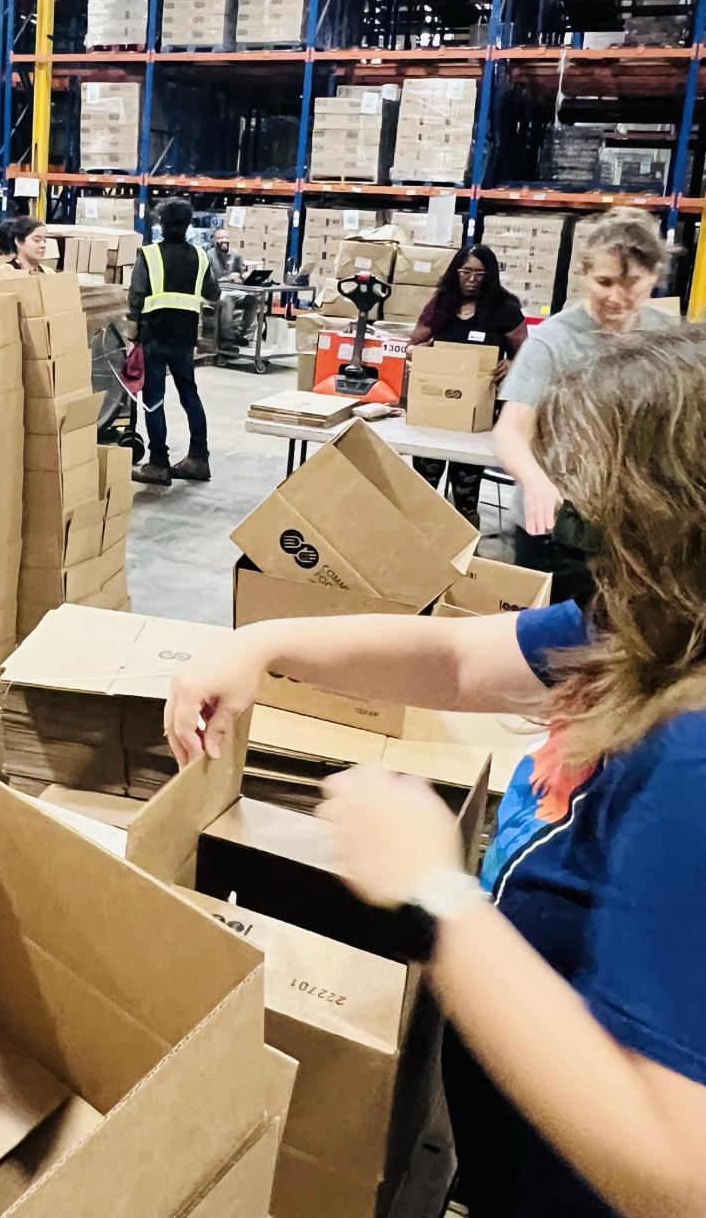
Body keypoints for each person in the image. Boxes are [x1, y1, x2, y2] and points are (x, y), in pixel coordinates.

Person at [165, 323, 706, 1218]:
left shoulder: (690, 761)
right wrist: (263, 643)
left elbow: (678, 1171)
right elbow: (454, 660)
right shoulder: (643, 633)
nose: (588, 535)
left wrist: (434, 893)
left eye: (613, 515)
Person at [495, 207, 670, 600]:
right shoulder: (553, 342)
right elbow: (511, 429)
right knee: (554, 648)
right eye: (604, 281)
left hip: (634, 527)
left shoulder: (666, 339)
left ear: (655, 277)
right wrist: (536, 480)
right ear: (585, 273)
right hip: (559, 530)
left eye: (632, 283)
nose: (615, 297)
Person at [409, 244, 527, 526]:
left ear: (491, 275)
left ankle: (465, 537)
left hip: (479, 409)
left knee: (466, 478)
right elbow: (414, 344)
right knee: (425, 475)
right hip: (436, 406)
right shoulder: (441, 304)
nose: (472, 279)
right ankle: (420, 534)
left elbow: (526, 352)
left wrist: (513, 363)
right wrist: (417, 351)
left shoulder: (504, 308)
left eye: (480, 273)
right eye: (466, 272)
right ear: (455, 272)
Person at [128, 196, 220, 487]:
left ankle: (158, 464)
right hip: (184, 338)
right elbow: (213, 293)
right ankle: (198, 458)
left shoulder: (149, 255)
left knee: (154, 399)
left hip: (154, 337)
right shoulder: (201, 256)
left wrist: (132, 336)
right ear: (189, 224)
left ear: (160, 223)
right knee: (189, 395)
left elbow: (136, 298)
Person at [208, 227, 257, 349]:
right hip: (218, 290)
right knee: (228, 300)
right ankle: (226, 338)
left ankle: (239, 334)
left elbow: (242, 271)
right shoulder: (209, 255)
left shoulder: (235, 254)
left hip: (235, 289)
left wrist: (245, 275)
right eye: (220, 238)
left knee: (253, 300)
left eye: (226, 237)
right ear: (214, 241)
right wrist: (228, 277)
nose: (224, 240)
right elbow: (210, 280)